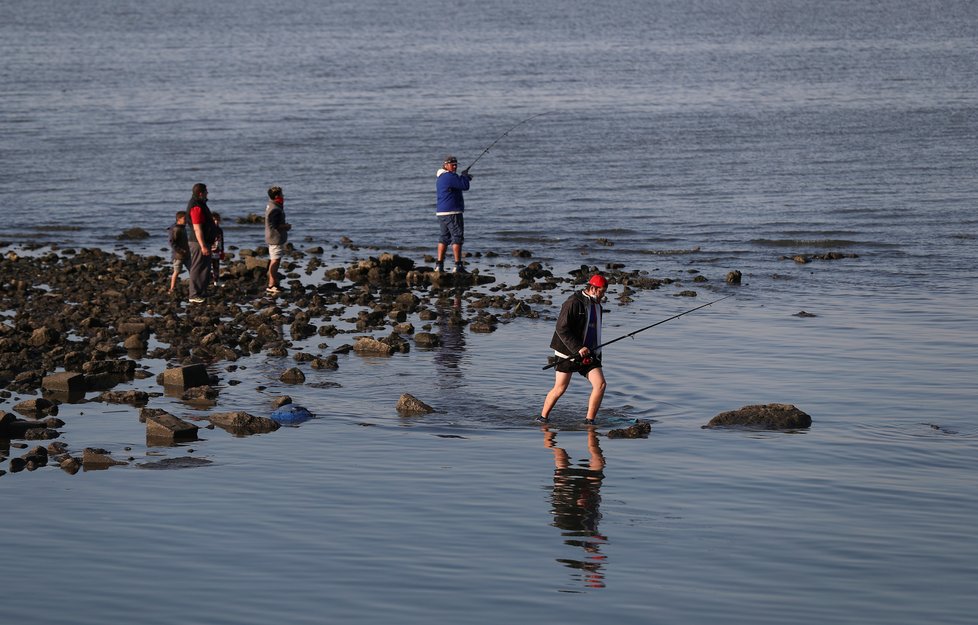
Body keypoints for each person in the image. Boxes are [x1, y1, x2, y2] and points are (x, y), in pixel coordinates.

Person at [540, 274, 609, 424]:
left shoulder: (598, 306)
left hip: (589, 353)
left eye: (604, 292)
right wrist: (577, 348)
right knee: (560, 388)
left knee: (601, 384)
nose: (603, 296)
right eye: (601, 292)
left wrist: (596, 354)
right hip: (567, 352)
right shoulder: (573, 302)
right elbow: (561, 328)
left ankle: (589, 421)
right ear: (592, 288)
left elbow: (594, 332)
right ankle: (543, 418)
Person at [434, 154, 472, 274]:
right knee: (457, 237)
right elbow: (465, 186)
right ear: (445, 165)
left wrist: (463, 178)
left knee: (444, 238)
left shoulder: (441, 177)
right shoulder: (449, 176)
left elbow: (457, 185)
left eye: (456, 164)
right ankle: (458, 265)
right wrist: (465, 177)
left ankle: (439, 265)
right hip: (452, 212)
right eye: (452, 164)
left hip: (441, 212)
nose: (454, 166)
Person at [185, 183, 218, 303]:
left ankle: (201, 292)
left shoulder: (200, 204)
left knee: (205, 267)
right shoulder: (196, 207)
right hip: (198, 242)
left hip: (204, 241)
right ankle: (194, 294)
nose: (207, 193)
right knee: (197, 267)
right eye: (206, 192)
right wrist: (203, 245)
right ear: (201, 193)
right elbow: (197, 228)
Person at [264, 186, 291, 294]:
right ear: (277, 196)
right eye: (281, 194)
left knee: (274, 259)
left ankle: (273, 283)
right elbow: (275, 225)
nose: (283, 196)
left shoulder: (271, 205)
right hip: (275, 238)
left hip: (272, 237)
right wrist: (286, 226)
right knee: (275, 260)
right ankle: (271, 285)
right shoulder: (275, 208)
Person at [167, 211, 190, 294]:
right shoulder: (175, 229)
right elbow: (172, 242)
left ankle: (194, 286)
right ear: (179, 219)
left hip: (186, 254)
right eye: (185, 218)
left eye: (187, 218)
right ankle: (172, 288)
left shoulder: (182, 227)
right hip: (178, 256)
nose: (186, 220)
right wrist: (180, 251)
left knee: (192, 270)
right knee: (176, 271)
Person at [209, 212, 225, 287]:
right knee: (208, 266)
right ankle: (208, 280)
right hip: (210, 251)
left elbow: (222, 241)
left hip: (217, 250)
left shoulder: (220, 230)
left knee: (216, 266)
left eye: (217, 220)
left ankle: (216, 280)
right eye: (214, 220)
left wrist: (222, 251)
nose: (216, 222)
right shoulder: (209, 229)